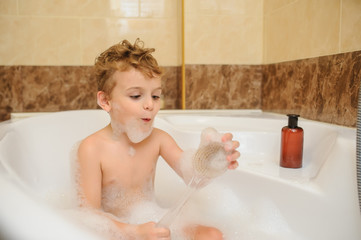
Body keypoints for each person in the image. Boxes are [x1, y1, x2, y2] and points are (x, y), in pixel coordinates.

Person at [76, 38, 240, 240]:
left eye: (155, 96)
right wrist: (134, 232)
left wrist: (211, 162)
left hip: (151, 219)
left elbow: (193, 177)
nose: (149, 105)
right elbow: (88, 218)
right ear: (105, 101)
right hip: (118, 232)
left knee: (213, 235)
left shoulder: (159, 139)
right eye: (136, 96)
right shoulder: (92, 148)